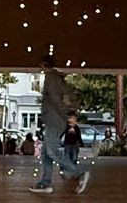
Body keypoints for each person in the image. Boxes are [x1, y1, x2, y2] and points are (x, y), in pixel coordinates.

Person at [31, 64, 91, 194]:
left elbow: (55, 99)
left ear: (44, 65)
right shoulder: (56, 78)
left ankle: (79, 172)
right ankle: (44, 183)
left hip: (54, 120)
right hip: (54, 120)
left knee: (51, 151)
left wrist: (64, 115)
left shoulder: (51, 78)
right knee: (46, 154)